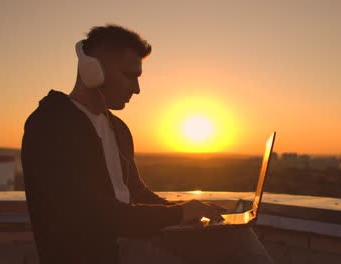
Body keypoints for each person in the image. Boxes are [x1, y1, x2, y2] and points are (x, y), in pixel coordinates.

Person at [21, 24, 273, 264]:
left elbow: (136, 194)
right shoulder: (50, 124)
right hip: (98, 252)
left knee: (238, 237)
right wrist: (177, 214)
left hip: (132, 238)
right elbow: (91, 213)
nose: (137, 89)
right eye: (129, 76)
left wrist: (188, 209)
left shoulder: (117, 128)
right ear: (92, 70)